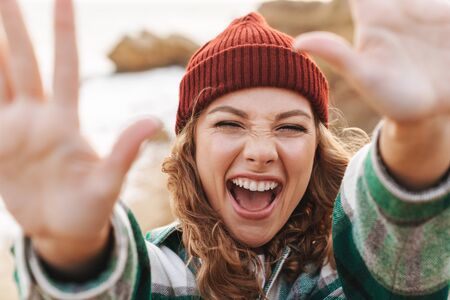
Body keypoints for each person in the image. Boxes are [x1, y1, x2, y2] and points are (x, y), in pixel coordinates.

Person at [1, 0, 449, 299]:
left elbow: (401, 252)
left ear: (318, 150)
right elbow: (121, 283)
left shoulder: (347, 270)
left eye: (290, 128)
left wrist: (420, 136)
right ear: (190, 149)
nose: (260, 151)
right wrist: (73, 250)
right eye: (230, 123)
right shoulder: (164, 271)